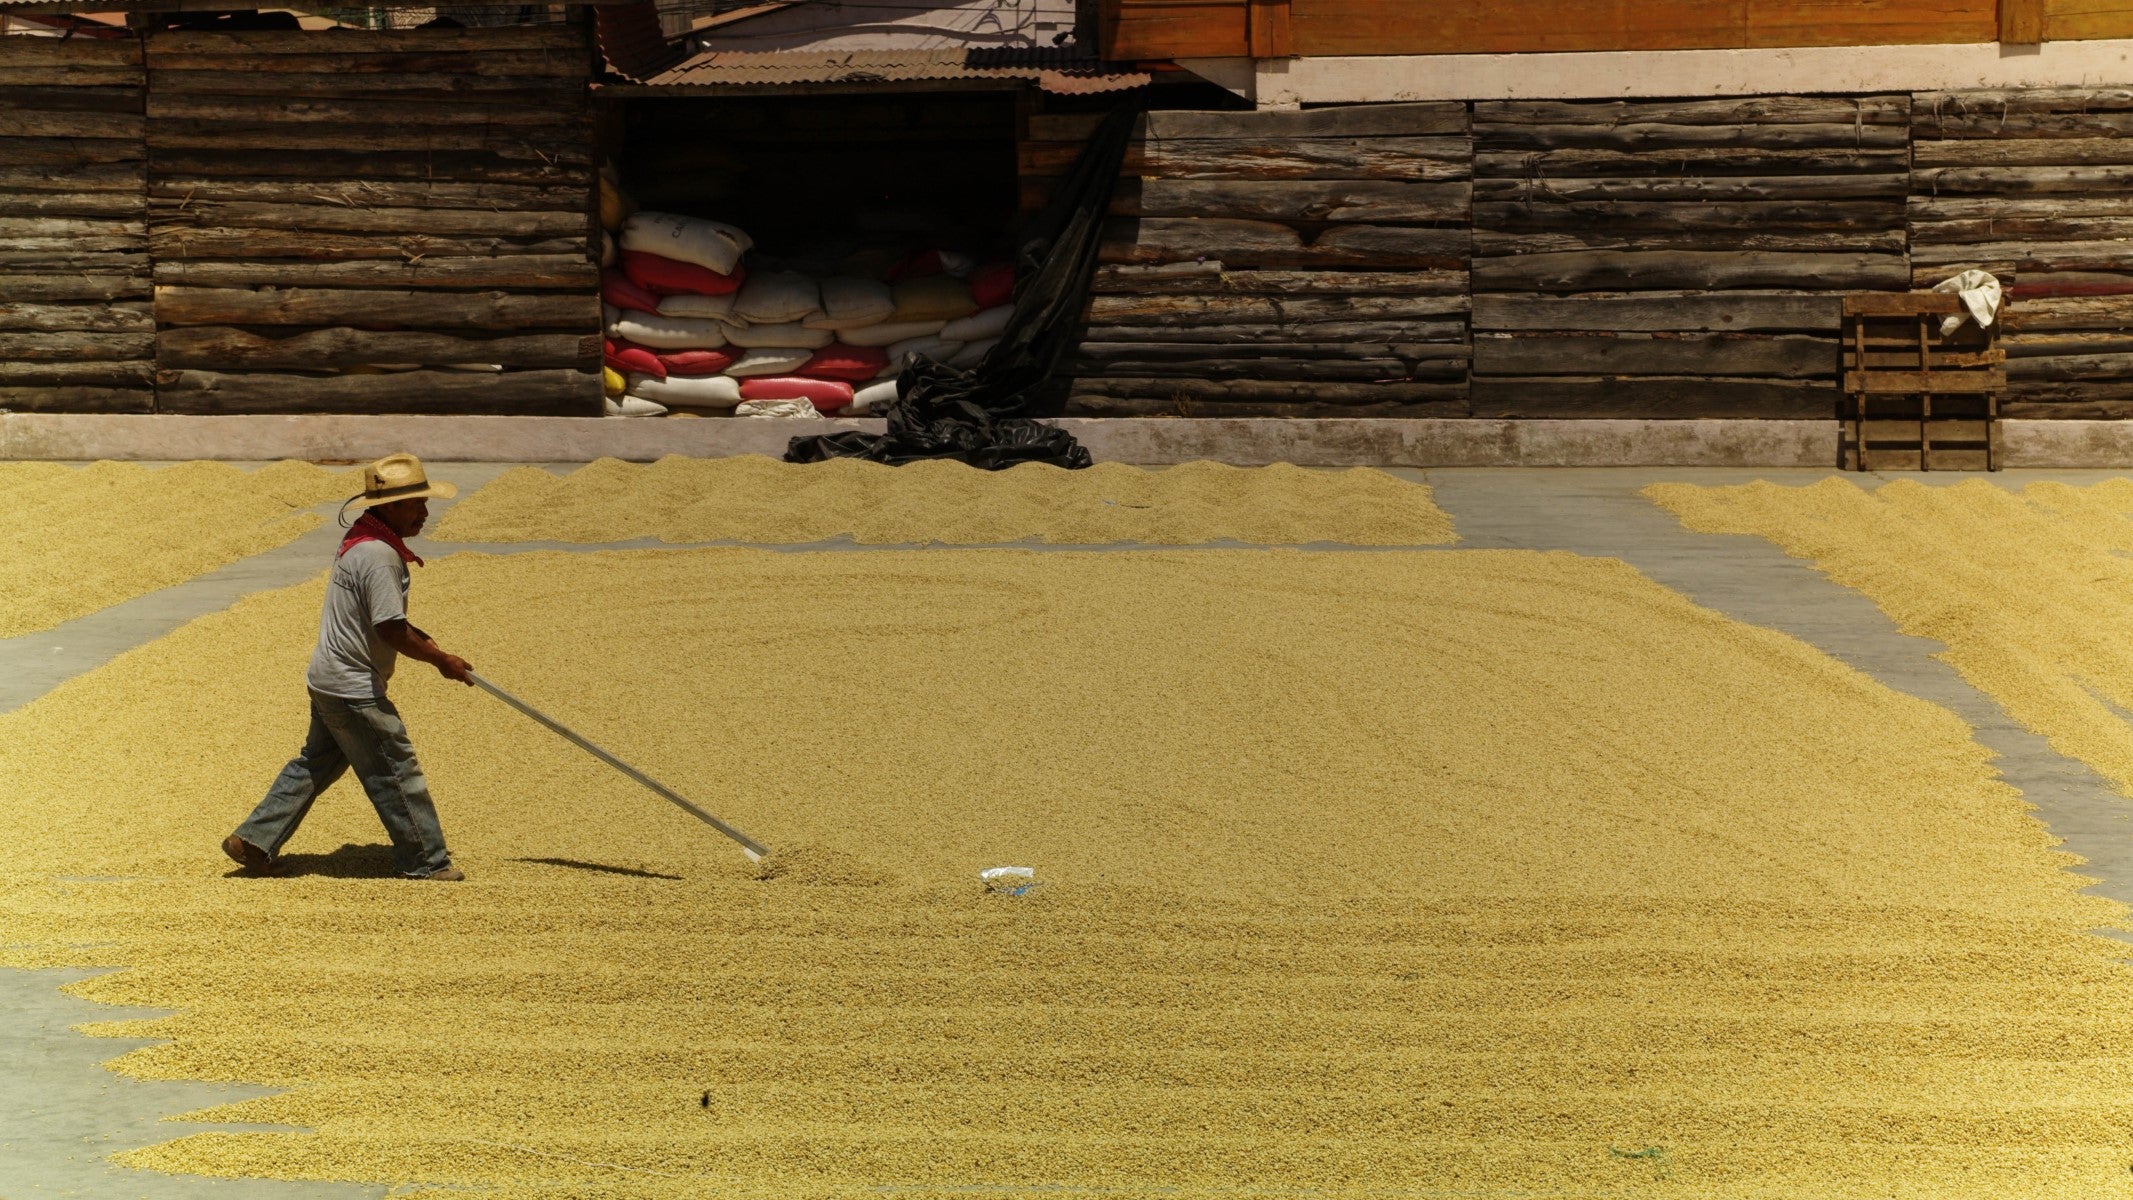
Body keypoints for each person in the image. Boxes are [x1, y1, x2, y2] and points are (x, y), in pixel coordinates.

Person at [222, 452, 475, 880]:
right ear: (389, 507)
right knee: (395, 770)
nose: (425, 512)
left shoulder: (362, 538)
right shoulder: (379, 556)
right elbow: (390, 628)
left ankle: (253, 840)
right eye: (416, 504)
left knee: (316, 763)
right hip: (353, 687)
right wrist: (439, 660)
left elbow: (383, 618)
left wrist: (431, 645)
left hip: (327, 679)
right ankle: (427, 862)